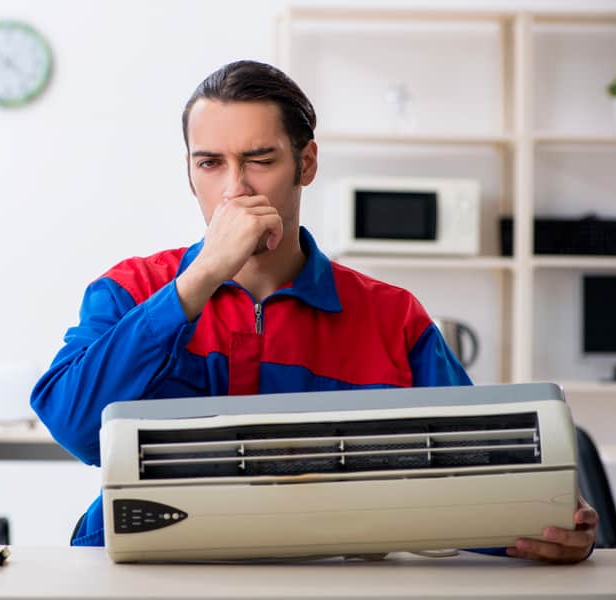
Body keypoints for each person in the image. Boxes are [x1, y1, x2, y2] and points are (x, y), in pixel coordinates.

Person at [30, 60, 598, 562]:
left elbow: (462, 482)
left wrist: (538, 527)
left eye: (259, 160)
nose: (234, 190)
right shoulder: (129, 290)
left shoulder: (393, 318)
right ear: (188, 171)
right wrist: (198, 280)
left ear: (306, 164)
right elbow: (78, 430)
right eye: (210, 164)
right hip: (144, 573)